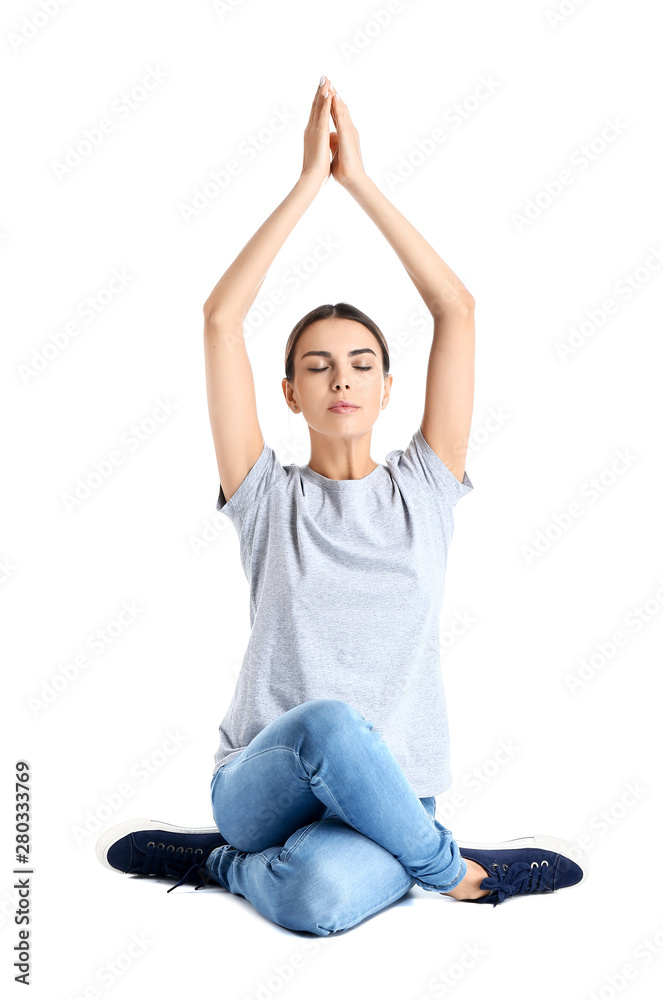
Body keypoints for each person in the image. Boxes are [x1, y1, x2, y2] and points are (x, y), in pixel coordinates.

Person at [95, 75, 589, 935]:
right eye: (317, 366)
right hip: (263, 787)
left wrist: (359, 181)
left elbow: (456, 310)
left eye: (360, 362)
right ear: (289, 393)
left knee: (315, 902)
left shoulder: (426, 487)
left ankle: (220, 864)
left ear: (389, 385)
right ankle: (457, 871)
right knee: (326, 723)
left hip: (386, 788)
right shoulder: (265, 497)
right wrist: (304, 186)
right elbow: (220, 321)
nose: (342, 378)